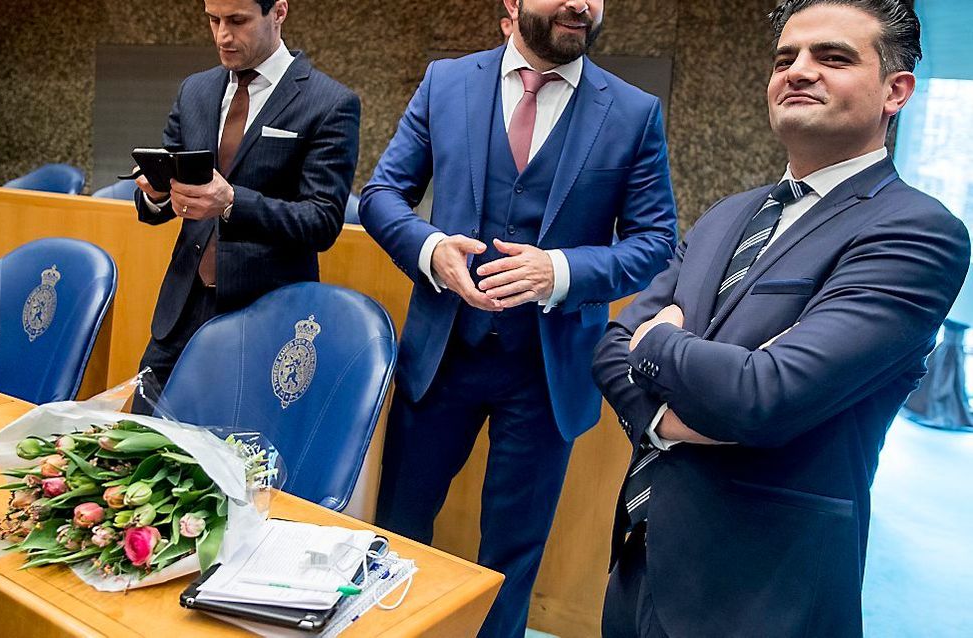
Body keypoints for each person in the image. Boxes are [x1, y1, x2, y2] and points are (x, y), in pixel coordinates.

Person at [591, 1, 971, 636]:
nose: (798, 71)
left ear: (895, 91)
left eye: (833, 57)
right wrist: (667, 419)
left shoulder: (915, 232)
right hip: (642, 553)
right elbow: (611, 344)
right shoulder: (725, 215)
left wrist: (660, 341)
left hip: (766, 585)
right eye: (784, 59)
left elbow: (764, 393)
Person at [359, 0, 677, 635]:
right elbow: (382, 193)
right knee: (396, 528)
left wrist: (559, 272)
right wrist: (428, 248)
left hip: (547, 372)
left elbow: (654, 240)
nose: (580, 3)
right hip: (441, 358)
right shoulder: (446, 82)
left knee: (514, 552)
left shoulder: (634, 112)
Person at [132, 0, 359, 409]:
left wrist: (233, 201)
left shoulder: (330, 103)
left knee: (235, 462)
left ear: (279, 13)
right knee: (136, 443)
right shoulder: (195, 90)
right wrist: (156, 194)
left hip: (266, 315)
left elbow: (322, 221)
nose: (222, 35)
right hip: (182, 308)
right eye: (213, 20)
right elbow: (169, 190)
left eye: (237, 21)